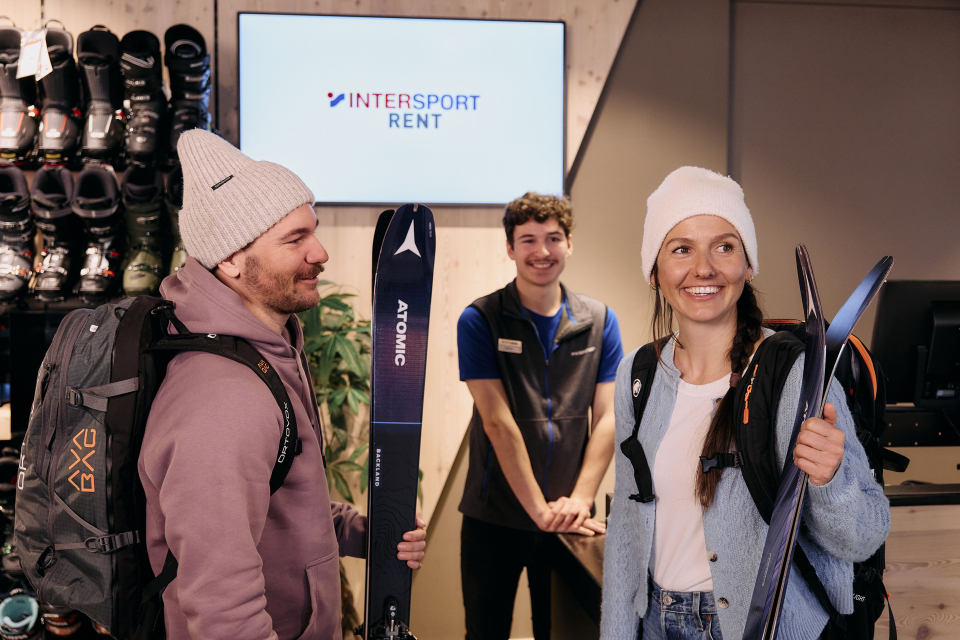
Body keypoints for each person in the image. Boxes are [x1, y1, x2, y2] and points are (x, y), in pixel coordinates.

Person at [138, 130, 426, 640]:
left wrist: (362, 531)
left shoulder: (266, 352)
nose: (320, 252)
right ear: (230, 260)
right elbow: (222, 610)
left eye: (312, 230)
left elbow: (279, 503)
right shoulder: (223, 401)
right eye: (295, 240)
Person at [600, 167, 891, 640]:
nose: (704, 268)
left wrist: (829, 478)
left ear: (747, 264)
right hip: (654, 621)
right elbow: (625, 532)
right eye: (681, 249)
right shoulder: (638, 374)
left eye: (724, 246)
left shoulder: (793, 374)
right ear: (655, 273)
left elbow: (862, 536)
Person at [457, 192, 625, 640]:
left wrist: (579, 499)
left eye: (553, 238)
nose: (542, 251)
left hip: (569, 521)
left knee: (563, 634)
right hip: (494, 518)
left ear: (570, 244)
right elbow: (497, 421)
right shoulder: (479, 320)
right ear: (510, 248)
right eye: (528, 239)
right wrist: (538, 511)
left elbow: (609, 418)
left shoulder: (600, 321)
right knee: (485, 634)